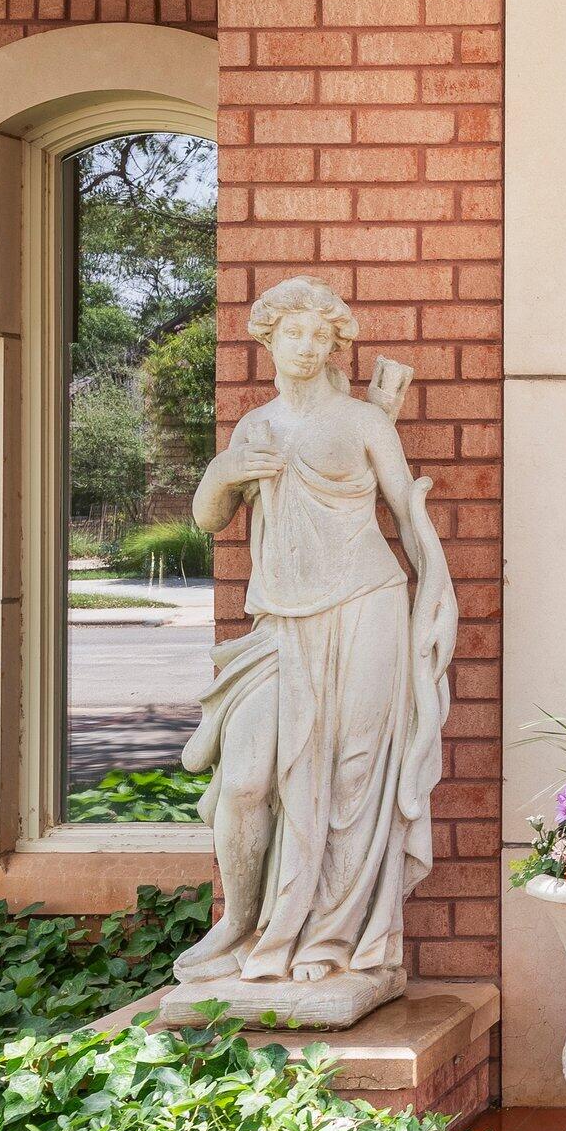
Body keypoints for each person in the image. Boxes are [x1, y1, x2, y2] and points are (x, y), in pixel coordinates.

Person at [171, 276, 455, 1001]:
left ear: (335, 346)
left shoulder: (363, 422)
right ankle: (242, 922)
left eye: (318, 336)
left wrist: (437, 603)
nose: (304, 347)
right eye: (292, 334)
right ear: (268, 340)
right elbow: (209, 519)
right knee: (245, 779)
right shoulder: (255, 430)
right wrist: (225, 470)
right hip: (280, 623)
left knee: (354, 776)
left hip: (367, 607)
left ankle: (332, 936)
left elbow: (407, 518)